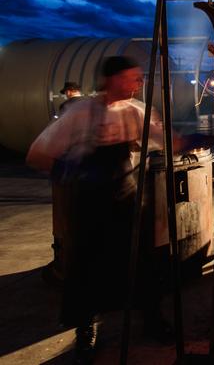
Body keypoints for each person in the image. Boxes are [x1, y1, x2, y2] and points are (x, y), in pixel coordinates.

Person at [27, 56, 179, 363]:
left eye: (140, 78)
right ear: (112, 79)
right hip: (90, 202)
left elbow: (165, 140)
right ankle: (86, 329)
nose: (139, 83)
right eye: (132, 78)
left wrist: (190, 141)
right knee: (87, 265)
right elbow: (37, 154)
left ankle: (152, 320)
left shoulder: (137, 111)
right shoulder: (80, 112)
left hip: (128, 197)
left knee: (143, 262)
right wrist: (69, 169)